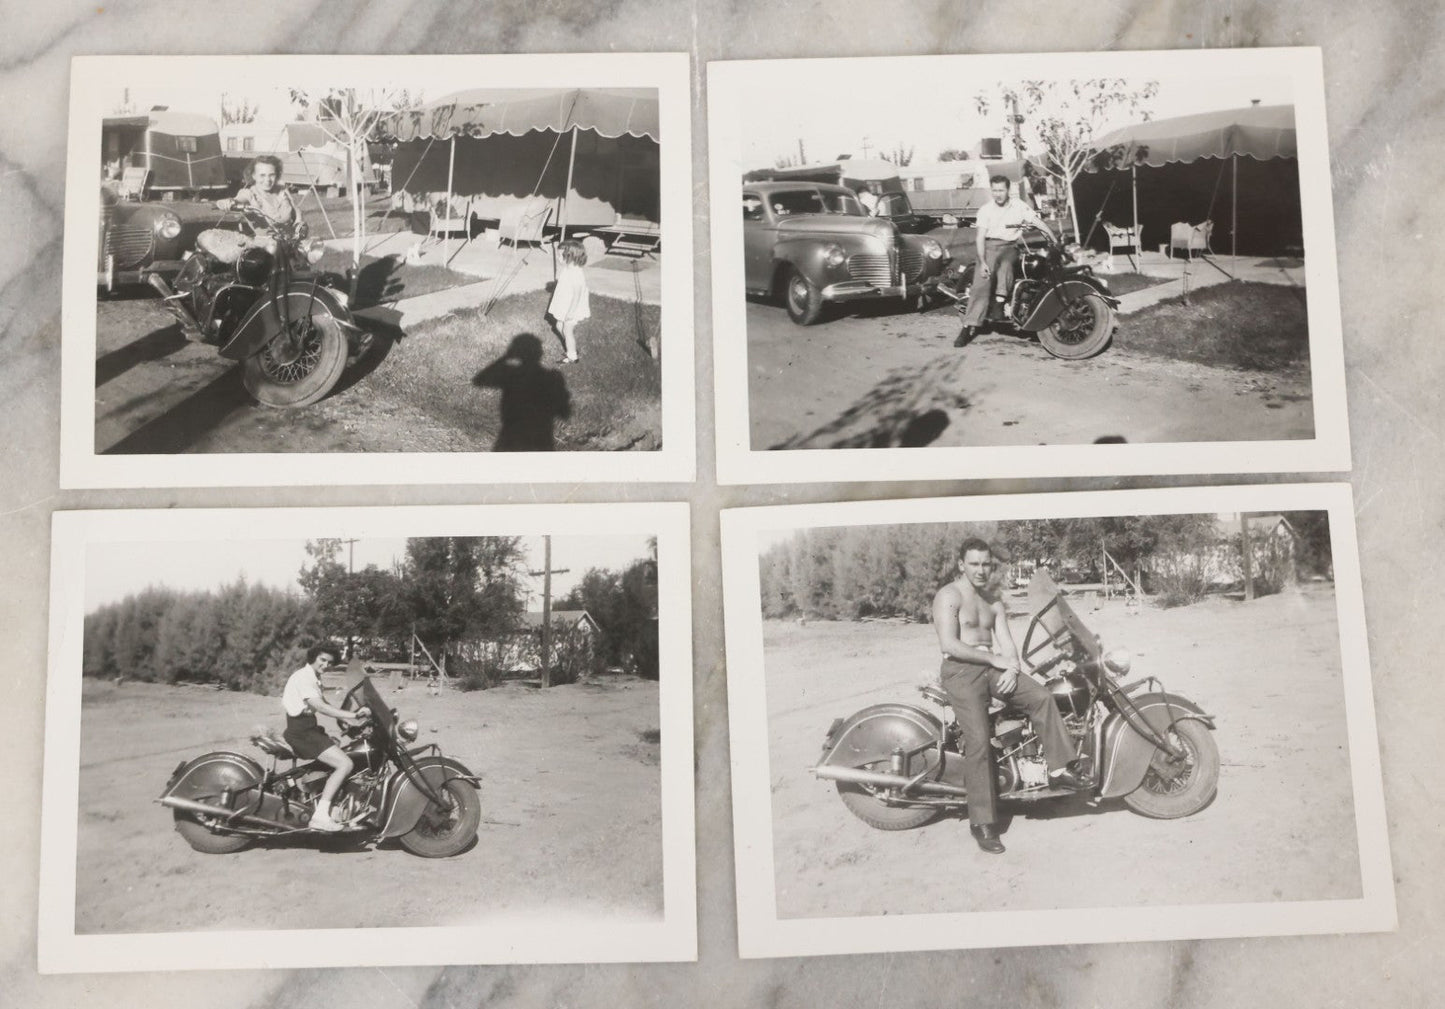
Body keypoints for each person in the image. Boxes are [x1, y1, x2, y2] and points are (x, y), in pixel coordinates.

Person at [932, 538, 1087, 854]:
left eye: (985, 564)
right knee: (978, 740)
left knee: (1042, 696)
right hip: (961, 671)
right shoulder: (949, 595)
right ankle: (982, 823)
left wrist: (1013, 668)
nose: (980, 570)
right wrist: (994, 660)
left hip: (995, 669)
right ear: (961, 564)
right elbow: (948, 644)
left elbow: (1007, 645)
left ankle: (1059, 770)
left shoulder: (993, 602)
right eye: (974, 564)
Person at [955, 175, 1055, 347]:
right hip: (989, 246)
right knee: (982, 283)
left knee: (1007, 264)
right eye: (994, 190)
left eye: (1001, 190)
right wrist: (982, 262)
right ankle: (967, 327)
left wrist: (1052, 236)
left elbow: (1037, 222)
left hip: (1009, 246)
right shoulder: (986, 210)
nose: (998, 194)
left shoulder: (1018, 205)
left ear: (1008, 190)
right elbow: (980, 237)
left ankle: (999, 303)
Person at [281, 643, 369, 832]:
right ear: (313, 657)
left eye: (329, 662)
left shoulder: (314, 677)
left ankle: (336, 806)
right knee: (345, 764)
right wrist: (353, 715)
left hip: (309, 728)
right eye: (322, 660)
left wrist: (346, 720)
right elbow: (320, 706)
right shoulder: (304, 677)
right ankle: (320, 816)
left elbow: (325, 703)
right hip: (302, 731)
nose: (326, 665)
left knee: (341, 756)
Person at [217, 154, 299, 230]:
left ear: (276, 175)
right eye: (262, 175)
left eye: (271, 175)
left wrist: (299, 224)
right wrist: (227, 202)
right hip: (266, 240)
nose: (267, 180)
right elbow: (237, 200)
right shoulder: (249, 194)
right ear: (254, 175)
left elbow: (296, 210)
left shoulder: (281, 190)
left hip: (292, 238)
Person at [547, 239, 591, 365]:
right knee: (558, 326)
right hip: (565, 303)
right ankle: (571, 347)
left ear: (570, 257)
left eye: (560, 255)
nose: (558, 258)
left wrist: (571, 312)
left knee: (567, 330)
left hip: (572, 307)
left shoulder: (576, 273)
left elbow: (577, 295)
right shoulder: (567, 269)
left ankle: (572, 356)